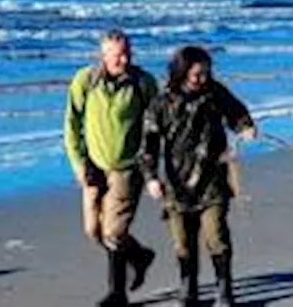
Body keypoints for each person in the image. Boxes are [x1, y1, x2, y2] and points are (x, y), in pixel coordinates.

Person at [142, 45, 257, 307]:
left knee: (216, 237)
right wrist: (150, 177)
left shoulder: (215, 93)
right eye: (197, 74)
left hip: (212, 181)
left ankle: (224, 291)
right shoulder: (162, 102)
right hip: (176, 185)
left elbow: (237, 113)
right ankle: (188, 289)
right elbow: (148, 143)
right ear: (182, 72)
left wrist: (245, 127)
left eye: (206, 73)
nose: (203, 79)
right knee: (183, 243)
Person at [63, 28, 160, 307]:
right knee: (93, 229)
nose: (124, 60)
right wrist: (79, 164)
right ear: (103, 56)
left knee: (114, 232)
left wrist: (151, 167)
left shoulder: (143, 83)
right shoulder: (85, 80)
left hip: (128, 167)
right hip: (94, 165)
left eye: (128, 53)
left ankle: (117, 293)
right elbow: (71, 124)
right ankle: (140, 256)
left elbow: (155, 127)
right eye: (118, 55)